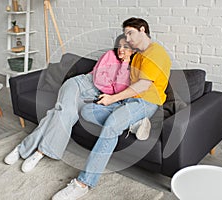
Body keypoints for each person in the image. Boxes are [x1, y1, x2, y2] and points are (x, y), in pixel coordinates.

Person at [52, 17, 172, 200]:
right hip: (127, 101)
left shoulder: (155, 53)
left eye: (130, 33)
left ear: (142, 30)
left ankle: (83, 183)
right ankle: (134, 125)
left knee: (111, 126)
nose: (128, 39)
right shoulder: (137, 55)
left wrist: (112, 99)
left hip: (145, 102)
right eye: (125, 35)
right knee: (87, 111)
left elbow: (143, 86)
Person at [4, 34, 144, 172]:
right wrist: (112, 89)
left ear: (133, 50)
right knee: (67, 112)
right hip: (79, 84)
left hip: (93, 98)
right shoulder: (109, 55)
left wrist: (125, 63)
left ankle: (24, 149)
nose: (121, 49)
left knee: (56, 113)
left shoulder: (131, 69)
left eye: (126, 47)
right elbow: (99, 80)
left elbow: (119, 89)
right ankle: (39, 153)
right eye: (119, 46)